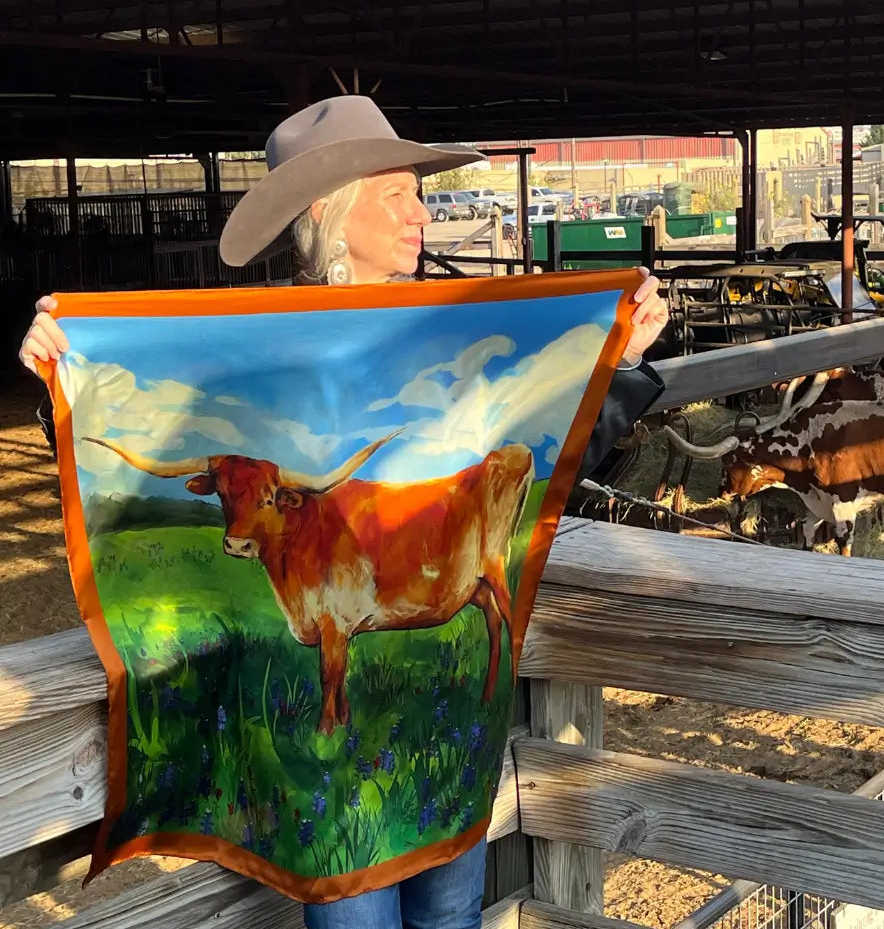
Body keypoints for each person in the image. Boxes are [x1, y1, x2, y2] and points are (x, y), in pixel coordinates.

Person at [19, 96, 668, 929]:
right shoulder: (255, 347)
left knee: (449, 921)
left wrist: (624, 360)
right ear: (329, 212)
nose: (420, 214)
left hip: (444, 738)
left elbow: (543, 456)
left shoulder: (459, 326)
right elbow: (149, 415)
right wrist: (64, 379)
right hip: (324, 778)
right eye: (395, 194)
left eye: (418, 193)